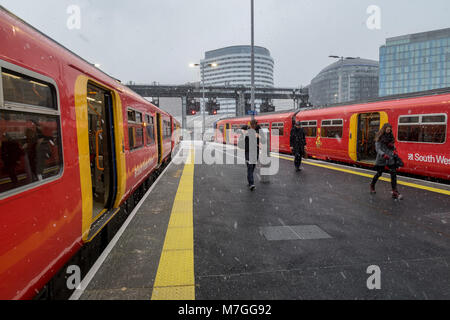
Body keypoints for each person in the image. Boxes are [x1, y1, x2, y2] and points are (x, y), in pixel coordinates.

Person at [370, 123, 403, 200]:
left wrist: (394, 150)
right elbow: (377, 149)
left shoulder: (390, 137)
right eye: (387, 129)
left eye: (390, 130)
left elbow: (393, 146)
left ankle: (395, 191)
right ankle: (372, 185)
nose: (389, 131)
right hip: (382, 158)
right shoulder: (379, 137)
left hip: (390, 158)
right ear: (384, 129)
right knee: (379, 173)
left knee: (393, 174)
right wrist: (383, 154)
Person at [242, 119, 261, 191]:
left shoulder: (258, 130)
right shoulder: (247, 131)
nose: (254, 126)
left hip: (255, 151)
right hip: (248, 151)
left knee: (252, 167)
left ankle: (249, 179)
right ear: (251, 125)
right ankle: (251, 183)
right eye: (253, 124)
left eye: (255, 124)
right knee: (250, 167)